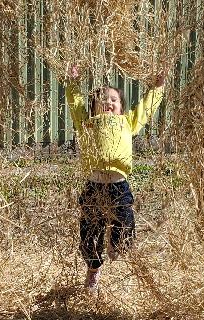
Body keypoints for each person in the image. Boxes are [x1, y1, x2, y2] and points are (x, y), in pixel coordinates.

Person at [65, 65, 166, 293]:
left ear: (121, 108)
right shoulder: (87, 123)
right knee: (89, 232)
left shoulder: (127, 123)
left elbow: (145, 110)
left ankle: (117, 244)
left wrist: (157, 88)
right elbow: (75, 104)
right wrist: (72, 83)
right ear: (93, 106)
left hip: (119, 185)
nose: (108, 103)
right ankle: (93, 269)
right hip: (93, 185)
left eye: (114, 100)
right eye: (102, 99)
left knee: (126, 222)